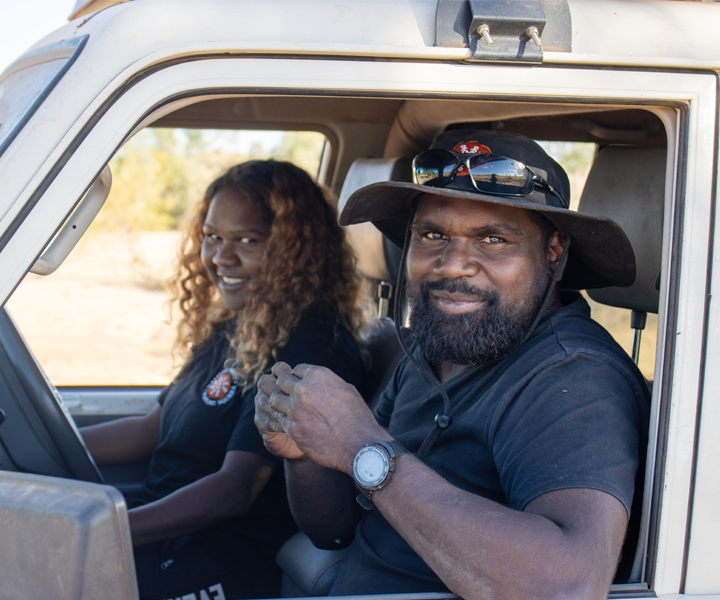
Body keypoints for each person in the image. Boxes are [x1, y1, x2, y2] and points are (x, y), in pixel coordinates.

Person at [254, 131, 651, 599]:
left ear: (554, 254)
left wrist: (362, 442)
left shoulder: (573, 376)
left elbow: (566, 587)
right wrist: (304, 449)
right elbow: (336, 528)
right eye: (432, 235)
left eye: (493, 239)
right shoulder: (435, 349)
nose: (453, 264)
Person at [81, 160, 367, 600]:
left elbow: (237, 489)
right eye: (212, 237)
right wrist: (39, 452)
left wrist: (100, 533)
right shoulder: (237, 323)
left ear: (296, 249)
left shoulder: (310, 348)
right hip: (169, 539)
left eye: (247, 241)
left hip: (225, 559)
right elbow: (149, 430)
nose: (220, 257)